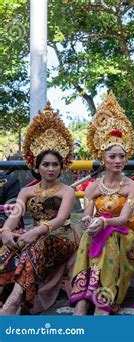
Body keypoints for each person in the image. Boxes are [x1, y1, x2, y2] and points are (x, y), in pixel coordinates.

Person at [0, 103, 78, 314]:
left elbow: (60, 220)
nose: (51, 169)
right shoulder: (26, 191)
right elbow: (14, 215)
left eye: (55, 164)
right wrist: (6, 231)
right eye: (46, 164)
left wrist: (35, 231)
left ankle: (13, 303)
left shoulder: (66, 191)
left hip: (61, 237)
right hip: (31, 235)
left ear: (62, 167)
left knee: (35, 248)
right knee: (6, 248)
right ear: (37, 167)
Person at [70, 93, 134, 315]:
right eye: (112, 157)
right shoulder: (92, 188)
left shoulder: (132, 187)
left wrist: (101, 222)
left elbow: (122, 220)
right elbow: (87, 215)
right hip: (100, 231)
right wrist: (87, 221)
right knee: (88, 235)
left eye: (122, 156)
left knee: (109, 234)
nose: (118, 161)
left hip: (124, 235)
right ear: (103, 159)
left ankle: (103, 299)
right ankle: (84, 298)